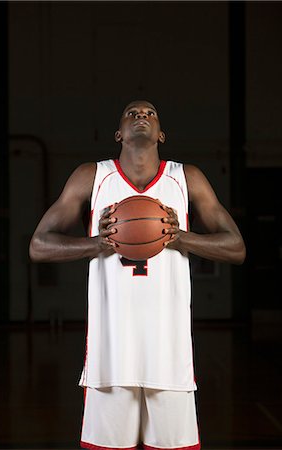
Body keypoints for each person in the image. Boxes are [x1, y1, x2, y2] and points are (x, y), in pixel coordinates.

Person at [29, 100, 246, 450]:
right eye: (132, 113)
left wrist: (179, 236)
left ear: (161, 134)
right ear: (118, 134)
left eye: (150, 113)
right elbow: (38, 246)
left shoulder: (185, 178)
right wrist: (97, 244)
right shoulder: (93, 176)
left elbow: (236, 247)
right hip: (110, 358)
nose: (141, 116)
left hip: (170, 358)